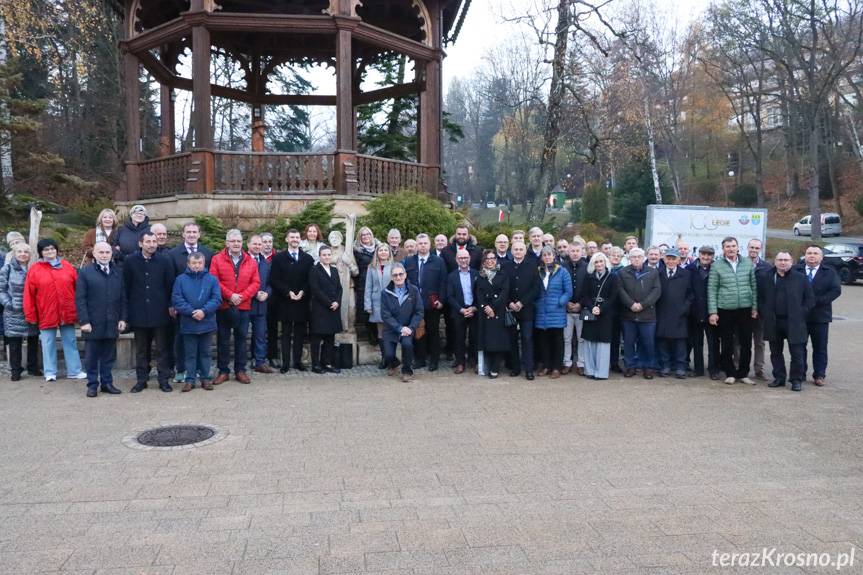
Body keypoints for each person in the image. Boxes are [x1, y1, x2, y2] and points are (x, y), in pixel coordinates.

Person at [24, 239, 85, 382]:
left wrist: (79, 310)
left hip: (67, 311)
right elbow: (29, 294)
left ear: (56, 250)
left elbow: (78, 289)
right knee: (48, 342)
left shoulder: (67, 266)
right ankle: (50, 371)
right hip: (46, 312)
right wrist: (30, 314)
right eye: (46, 249)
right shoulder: (35, 269)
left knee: (70, 341)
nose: (50, 252)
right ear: (41, 252)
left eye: (52, 248)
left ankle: (75, 370)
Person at [124, 231, 175, 393]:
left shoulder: (165, 261)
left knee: (162, 349)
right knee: (141, 350)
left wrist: (171, 305)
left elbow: (170, 286)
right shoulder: (130, 261)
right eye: (148, 241)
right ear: (140, 244)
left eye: (154, 241)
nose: (152, 244)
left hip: (160, 312)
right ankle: (141, 380)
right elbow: (126, 287)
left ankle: (163, 379)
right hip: (138, 312)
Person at [209, 229, 260, 385]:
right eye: (233, 241)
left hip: (243, 307)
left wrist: (242, 297)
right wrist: (230, 295)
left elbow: (256, 282)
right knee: (223, 340)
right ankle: (223, 371)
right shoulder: (217, 259)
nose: (236, 244)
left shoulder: (250, 261)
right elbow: (213, 280)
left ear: (242, 243)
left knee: (241, 339)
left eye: (238, 241)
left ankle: (240, 370)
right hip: (224, 306)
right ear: (227, 243)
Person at [76, 242, 127, 397]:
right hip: (92, 322)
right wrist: (84, 321)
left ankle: (107, 383)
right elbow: (80, 299)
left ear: (111, 254)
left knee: (108, 356)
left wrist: (123, 318)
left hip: (112, 321)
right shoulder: (85, 272)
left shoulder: (118, 272)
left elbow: (123, 298)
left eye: (107, 252)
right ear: (95, 254)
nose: (104, 255)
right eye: (101, 252)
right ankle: (92, 385)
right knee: (91, 357)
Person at [167, 222, 214, 383]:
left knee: (203, 346)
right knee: (181, 340)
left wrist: (204, 309)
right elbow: (170, 280)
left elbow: (211, 282)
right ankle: (181, 370)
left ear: (199, 234)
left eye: (194, 232)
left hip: (203, 306)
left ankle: (202, 371)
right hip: (182, 307)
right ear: (183, 234)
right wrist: (172, 304)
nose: (192, 234)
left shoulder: (207, 253)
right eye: (188, 232)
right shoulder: (173, 254)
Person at [760, 252, 814, 392]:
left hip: (794, 322)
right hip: (773, 321)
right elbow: (760, 297)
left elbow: (810, 299)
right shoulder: (767, 277)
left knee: (797, 352)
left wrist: (801, 313)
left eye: (786, 260)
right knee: (775, 352)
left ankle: (796, 380)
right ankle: (779, 378)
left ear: (792, 262)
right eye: (780, 260)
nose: (783, 262)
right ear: (775, 262)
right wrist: (764, 312)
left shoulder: (801, 278)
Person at [708, 236, 758, 385]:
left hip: (745, 309)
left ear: (738, 247)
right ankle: (730, 372)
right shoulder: (717, 265)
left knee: (746, 343)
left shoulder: (747, 263)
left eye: (733, 246)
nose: (731, 249)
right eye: (727, 246)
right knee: (727, 343)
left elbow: (753, 286)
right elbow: (712, 289)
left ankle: (743, 373)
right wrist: (713, 312)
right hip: (725, 309)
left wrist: (754, 307)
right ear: (723, 249)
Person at [172, 252, 222, 391]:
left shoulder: (212, 279)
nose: (196, 266)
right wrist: (191, 312)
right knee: (190, 353)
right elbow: (177, 299)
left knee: (205, 353)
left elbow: (216, 299)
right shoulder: (180, 279)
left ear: (204, 263)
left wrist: (203, 311)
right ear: (188, 264)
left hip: (207, 322)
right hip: (188, 322)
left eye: (199, 263)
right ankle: (190, 379)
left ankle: (205, 378)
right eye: (194, 263)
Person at [269, 229, 314, 373]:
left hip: (302, 301)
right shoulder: (278, 258)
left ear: (300, 239)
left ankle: (298, 361)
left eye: (297, 237)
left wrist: (303, 291)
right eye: (292, 237)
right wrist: (288, 292)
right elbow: (274, 279)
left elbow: (310, 280)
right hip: (285, 301)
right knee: (286, 333)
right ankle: (286, 363)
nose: (295, 239)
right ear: (287, 239)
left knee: (300, 333)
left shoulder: (308, 259)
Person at [796, 245, 841, 387]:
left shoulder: (829, 272)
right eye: (809, 253)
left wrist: (815, 302)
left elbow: (835, 291)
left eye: (815, 253)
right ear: (805, 255)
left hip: (820, 315)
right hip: (800, 316)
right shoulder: (796, 270)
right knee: (799, 346)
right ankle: (800, 373)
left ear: (821, 257)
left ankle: (819, 375)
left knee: (820, 347)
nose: (812, 256)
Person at [404, 234, 447, 371]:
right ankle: (420, 359)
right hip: (415, 304)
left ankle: (434, 360)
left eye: (425, 243)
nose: (423, 245)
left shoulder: (438, 261)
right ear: (416, 245)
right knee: (418, 332)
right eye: (420, 243)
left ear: (430, 245)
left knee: (433, 332)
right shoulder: (409, 262)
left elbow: (443, 282)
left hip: (432, 303)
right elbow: (405, 282)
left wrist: (441, 300)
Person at [617, 247, 661, 379]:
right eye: (633, 257)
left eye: (639, 257)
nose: (636, 259)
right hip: (628, 315)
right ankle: (630, 366)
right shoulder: (622, 272)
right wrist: (631, 304)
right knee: (629, 343)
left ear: (644, 258)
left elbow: (656, 290)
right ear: (629, 258)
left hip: (647, 315)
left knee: (648, 343)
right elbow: (620, 290)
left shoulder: (652, 272)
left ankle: (648, 367)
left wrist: (643, 305)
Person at [0, 243, 41, 380]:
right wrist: (9, 304)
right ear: (14, 253)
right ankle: (15, 370)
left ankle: (33, 367)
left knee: (33, 339)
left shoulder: (34, 269)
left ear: (30, 254)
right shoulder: (7, 269)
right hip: (13, 312)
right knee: (14, 342)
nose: (23, 254)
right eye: (20, 252)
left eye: (26, 252)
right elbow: (1, 289)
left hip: (32, 310)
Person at [380, 262, 424, 382]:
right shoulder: (385, 293)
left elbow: (419, 312)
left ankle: (407, 370)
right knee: (388, 355)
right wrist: (399, 328)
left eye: (400, 274)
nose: (398, 277)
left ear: (405, 275)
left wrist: (410, 327)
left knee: (407, 345)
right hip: (391, 329)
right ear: (392, 277)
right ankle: (393, 363)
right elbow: (385, 315)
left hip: (408, 327)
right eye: (395, 275)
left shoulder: (414, 290)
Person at [534, 246, 572, 379]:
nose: (547, 257)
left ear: (554, 256)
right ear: (541, 257)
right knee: (543, 341)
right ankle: (546, 366)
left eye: (549, 254)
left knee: (557, 340)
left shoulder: (562, 271)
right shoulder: (538, 271)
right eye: (544, 255)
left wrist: (560, 302)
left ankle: (556, 367)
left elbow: (568, 291)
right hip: (541, 311)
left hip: (556, 311)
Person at [580, 252, 618, 380]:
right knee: (589, 341)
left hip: (606, 314)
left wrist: (601, 309)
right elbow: (584, 295)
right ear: (593, 264)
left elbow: (614, 296)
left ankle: (601, 372)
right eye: (596, 262)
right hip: (591, 313)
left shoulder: (613, 277)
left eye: (601, 261)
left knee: (603, 343)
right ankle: (590, 371)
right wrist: (592, 308)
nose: (599, 264)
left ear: (605, 262)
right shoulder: (588, 277)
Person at [656, 248, 692, 379]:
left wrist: (685, 309)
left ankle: (680, 367)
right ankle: (665, 366)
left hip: (680, 314)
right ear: (664, 259)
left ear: (678, 260)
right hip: (662, 312)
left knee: (680, 342)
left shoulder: (686, 274)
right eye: (668, 258)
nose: (670, 261)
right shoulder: (658, 273)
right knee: (663, 341)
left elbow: (690, 294)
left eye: (673, 258)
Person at [507, 241, 539, 380]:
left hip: (527, 309)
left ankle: (529, 369)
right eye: (516, 249)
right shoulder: (505, 266)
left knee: (527, 339)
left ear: (525, 252)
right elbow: (502, 288)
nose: (518, 251)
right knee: (512, 339)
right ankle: (515, 367)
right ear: (512, 251)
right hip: (511, 309)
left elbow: (536, 288)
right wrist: (510, 303)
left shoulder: (532, 266)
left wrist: (522, 302)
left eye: (521, 249)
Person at [475, 249, 510, 378]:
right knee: (487, 340)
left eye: (493, 258)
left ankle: (495, 367)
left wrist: (493, 307)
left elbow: (504, 292)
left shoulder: (503, 274)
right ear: (483, 261)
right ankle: (488, 366)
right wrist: (485, 307)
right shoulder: (480, 276)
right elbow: (478, 294)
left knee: (499, 341)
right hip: (485, 313)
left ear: (496, 260)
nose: (490, 261)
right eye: (487, 259)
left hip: (499, 311)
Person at [308, 245, 343, 373]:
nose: (327, 257)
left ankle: (327, 363)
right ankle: (316, 364)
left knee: (330, 338)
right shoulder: (314, 270)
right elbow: (316, 290)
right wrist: (330, 303)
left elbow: (340, 288)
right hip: (320, 309)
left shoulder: (334, 270)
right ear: (319, 256)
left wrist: (337, 302)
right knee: (317, 338)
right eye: (324, 255)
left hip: (334, 309)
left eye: (329, 254)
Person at [689, 246, 720, 379]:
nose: (706, 257)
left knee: (713, 343)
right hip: (695, 311)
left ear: (713, 256)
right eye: (703, 254)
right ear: (699, 254)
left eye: (709, 255)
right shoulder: (690, 269)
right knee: (697, 342)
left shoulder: (717, 268)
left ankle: (713, 370)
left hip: (712, 311)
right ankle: (698, 369)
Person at [447, 250, 478, 375]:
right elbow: (449, 296)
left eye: (465, 257)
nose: (463, 260)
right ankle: (460, 362)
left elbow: (481, 294)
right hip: (459, 310)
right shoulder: (451, 276)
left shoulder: (477, 274)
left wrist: (474, 308)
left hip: (474, 310)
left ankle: (474, 360)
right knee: (459, 338)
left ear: (469, 258)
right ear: (456, 260)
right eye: (461, 258)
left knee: (475, 337)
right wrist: (461, 309)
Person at [364, 243, 394, 368]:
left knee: (391, 331)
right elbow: (368, 287)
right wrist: (368, 305)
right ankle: (384, 358)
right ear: (377, 252)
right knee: (381, 333)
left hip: (391, 303)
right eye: (380, 250)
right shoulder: (371, 267)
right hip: (376, 303)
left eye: (385, 250)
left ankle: (391, 357)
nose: (383, 252)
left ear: (389, 252)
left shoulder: (395, 266)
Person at [247, 234, 272, 374]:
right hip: (246, 304)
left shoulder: (265, 263)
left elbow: (270, 282)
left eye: (259, 244)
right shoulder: (243, 261)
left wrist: (267, 293)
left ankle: (260, 362)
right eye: (255, 244)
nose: (257, 246)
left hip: (262, 305)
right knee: (242, 334)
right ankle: (242, 363)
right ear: (248, 245)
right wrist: (255, 293)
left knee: (260, 335)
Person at [747, 238, 771, 379]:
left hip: (761, 312)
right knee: (739, 341)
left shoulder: (767, 267)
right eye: (752, 248)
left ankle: (759, 369)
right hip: (743, 309)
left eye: (757, 248)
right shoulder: (740, 264)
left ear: (760, 250)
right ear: (747, 248)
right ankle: (737, 366)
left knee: (760, 342)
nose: (754, 250)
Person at [562, 242, 588, 375]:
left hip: (581, 309)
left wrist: (581, 304)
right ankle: (567, 362)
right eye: (572, 251)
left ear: (582, 251)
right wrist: (566, 303)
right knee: (566, 338)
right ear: (568, 252)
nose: (575, 253)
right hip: (565, 308)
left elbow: (589, 289)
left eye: (577, 251)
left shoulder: (588, 267)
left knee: (581, 338)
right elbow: (559, 287)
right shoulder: (562, 267)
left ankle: (581, 363)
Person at [354, 226, 378, 346]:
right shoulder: (356, 250)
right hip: (363, 281)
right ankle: (371, 334)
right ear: (360, 237)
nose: (365, 236)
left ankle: (380, 334)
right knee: (366, 309)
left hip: (378, 281)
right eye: (363, 235)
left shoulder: (379, 248)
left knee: (377, 306)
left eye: (368, 234)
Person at [261, 232, 280, 368]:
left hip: (274, 298)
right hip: (257, 297)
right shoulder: (255, 257)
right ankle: (258, 357)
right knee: (258, 330)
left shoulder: (277, 257)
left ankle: (272, 356)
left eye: (270, 242)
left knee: (273, 329)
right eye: (265, 241)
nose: (268, 244)